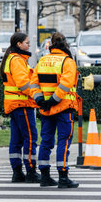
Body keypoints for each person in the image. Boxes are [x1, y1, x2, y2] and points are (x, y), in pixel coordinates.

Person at [31, 32, 80, 188]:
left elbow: (34, 84)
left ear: (50, 44)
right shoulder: (68, 62)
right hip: (63, 107)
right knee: (63, 142)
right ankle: (63, 177)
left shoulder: (42, 61)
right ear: (65, 44)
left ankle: (45, 176)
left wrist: (40, 100)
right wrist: (54, 100)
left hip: (46, 109)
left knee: (46, 141)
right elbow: (65, 85)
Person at [1, 32, 40, 183]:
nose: (29, 45)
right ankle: (31, 171)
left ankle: (17, 172)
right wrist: (37, 95)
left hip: (15, 105)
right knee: (30, 138)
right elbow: (24, 84)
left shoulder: (12, 58)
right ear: (19, 44)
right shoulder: (17, 60)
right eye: (27, 42)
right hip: (22, 104)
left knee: (16, 140)